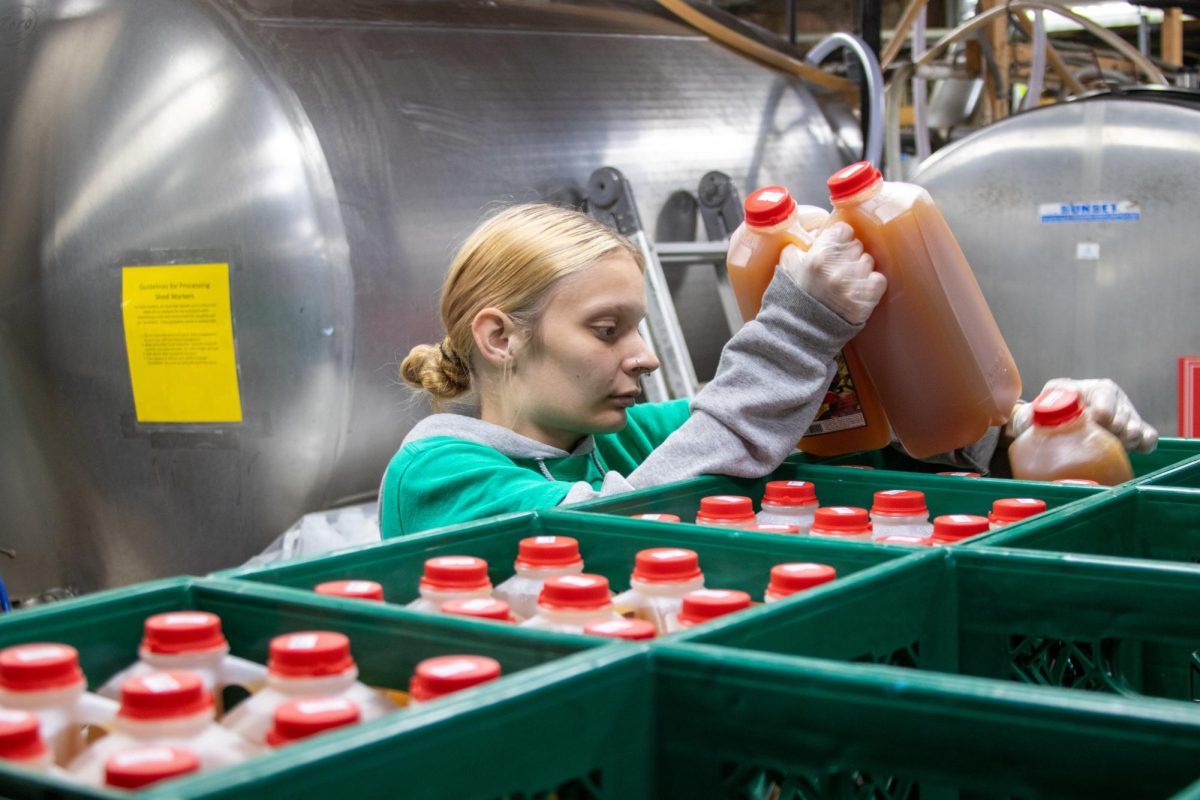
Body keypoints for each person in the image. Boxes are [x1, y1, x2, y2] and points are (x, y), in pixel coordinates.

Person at [381, 203, 1155, 538]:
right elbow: (604, 532)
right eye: (606, 330)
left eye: (640, 328)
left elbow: (834, 442)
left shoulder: (621, 440)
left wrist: (1021, 428)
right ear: (497, 337)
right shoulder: (438, 473)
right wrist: (793, 328)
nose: (644, 356)